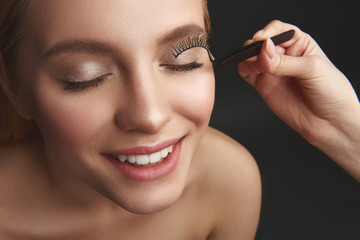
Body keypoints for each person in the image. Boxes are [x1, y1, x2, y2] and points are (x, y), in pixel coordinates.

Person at [0, 1, 358, 240]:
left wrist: (345, 132)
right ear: (14, 88)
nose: (150, 116)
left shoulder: (228, 179)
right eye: (85, 76)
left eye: (184, 61)